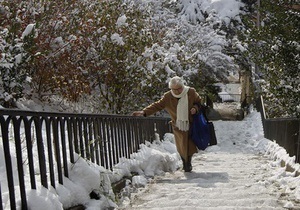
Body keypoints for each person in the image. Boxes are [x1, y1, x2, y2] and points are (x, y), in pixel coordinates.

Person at [132, 76, 202, 172]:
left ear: (183, 86)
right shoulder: (168, 96)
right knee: (181, 146)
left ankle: (187, 163)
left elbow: (199, 102)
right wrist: (144, 112)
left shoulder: (191, 92)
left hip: (191, 124)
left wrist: (195, 108)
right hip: (178, 125)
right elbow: (157, 105)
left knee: (190, 145)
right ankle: (185, 162)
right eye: (174, 89)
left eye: (179, 88)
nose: (177, 91)